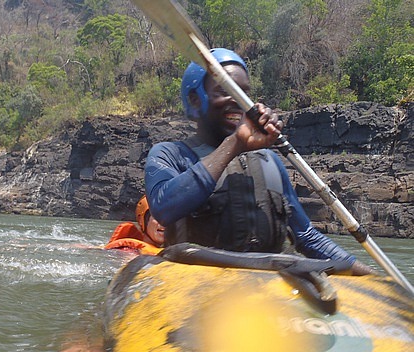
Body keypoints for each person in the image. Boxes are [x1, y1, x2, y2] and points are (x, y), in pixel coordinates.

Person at [144, 48, 372, 275]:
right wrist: (236, 142)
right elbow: (163, 208)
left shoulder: (270, 161)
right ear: (195, 100)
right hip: (195, 283)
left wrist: (369, 275)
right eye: (225, 91)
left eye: (244, 94)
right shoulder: (169, 154)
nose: (238, 102)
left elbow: (306, 236)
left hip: (266, 285)